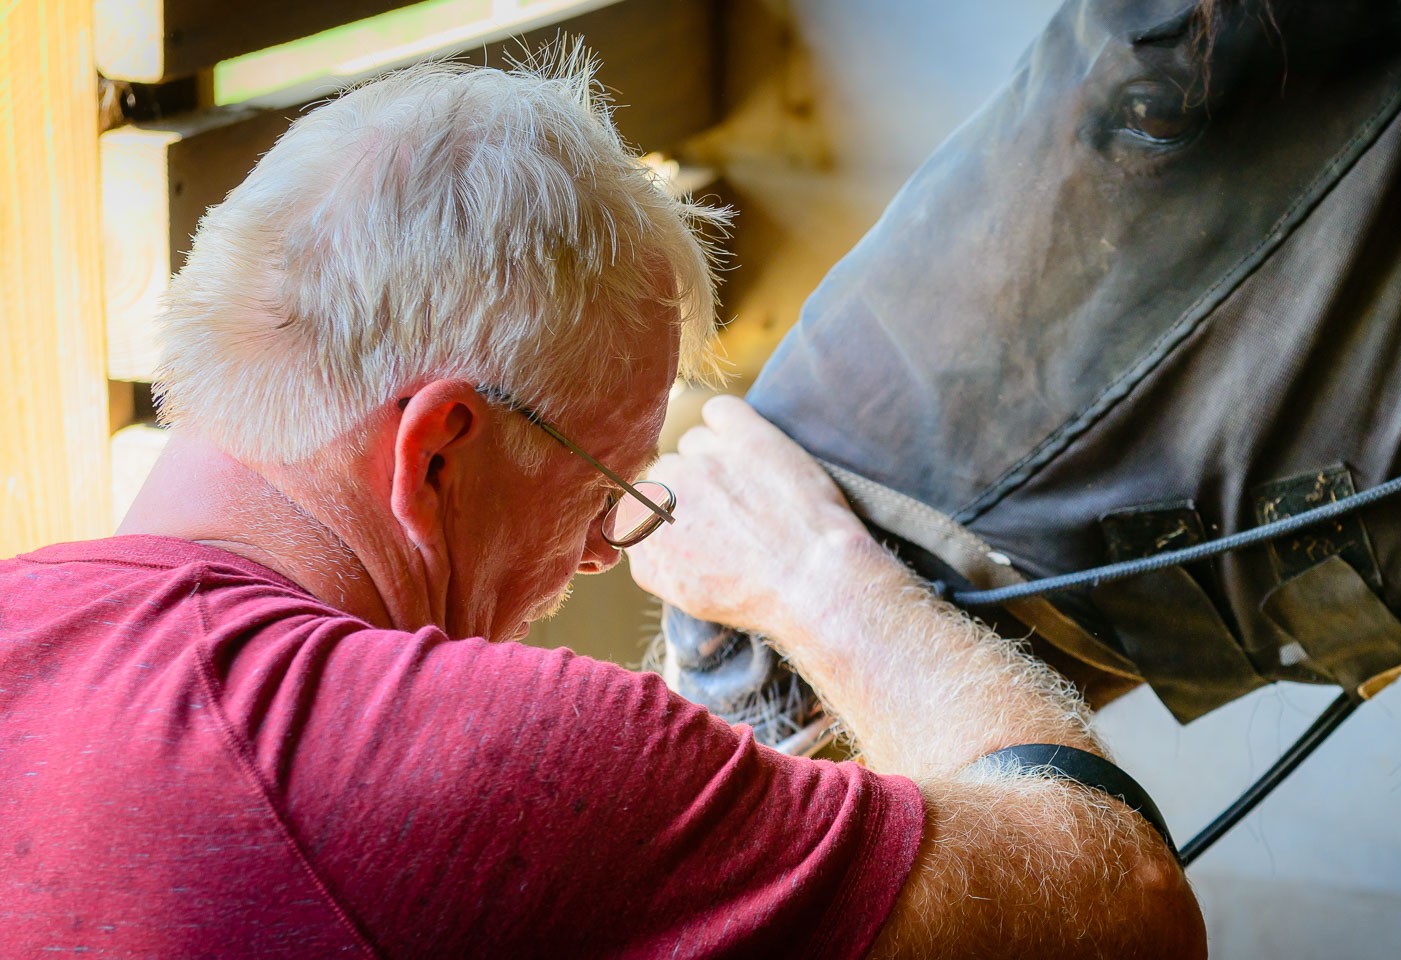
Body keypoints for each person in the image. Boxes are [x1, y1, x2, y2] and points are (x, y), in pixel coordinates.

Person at [0, 56, 1203, 959]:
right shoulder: (461, 758)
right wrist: (819, 580)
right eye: (601, 492)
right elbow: (1125, 911)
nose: (596, 558)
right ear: (438, 451)